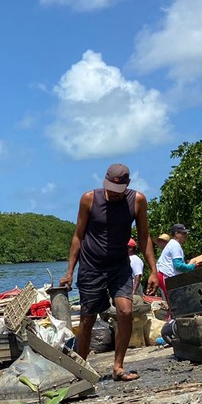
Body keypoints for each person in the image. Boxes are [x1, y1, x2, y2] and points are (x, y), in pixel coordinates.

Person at [60, 163, 158, 382]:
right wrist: (69, 271)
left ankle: (118, 367)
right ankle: (81, 370)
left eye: (118, 191)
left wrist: (154, 270)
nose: (113, 195)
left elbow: (144, 236)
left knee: (125, 311)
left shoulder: (137, 201)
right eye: (110, 190)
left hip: (119, 265)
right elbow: (78, 235)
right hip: (91, 266)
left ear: (127, 185)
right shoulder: (89, 199)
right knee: (88, 317)